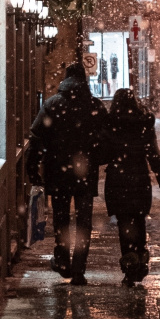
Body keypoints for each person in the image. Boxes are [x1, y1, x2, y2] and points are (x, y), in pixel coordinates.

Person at [27, 63, 109, 286]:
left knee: (61, 217)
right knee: (84, 222)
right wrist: (97, 159)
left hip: (58, 170)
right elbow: (106, 138)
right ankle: (79, 269)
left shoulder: (53, 104)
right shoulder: (94, 106)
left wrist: (33, 167)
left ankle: (63, 261)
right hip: (85, 172)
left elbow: (36, 135)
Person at [101, 88, 160, 286]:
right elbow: (154, 156)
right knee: (139, 220)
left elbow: (103, 154)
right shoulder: (144, 124)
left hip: (118, 180)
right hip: (140, 179)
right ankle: (140, 259)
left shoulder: (111, 124)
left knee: (125, 223)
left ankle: (130, 265)